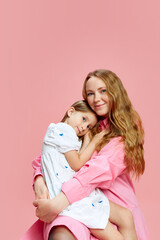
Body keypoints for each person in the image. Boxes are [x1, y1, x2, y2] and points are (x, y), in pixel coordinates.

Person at [21, 69, 149, 240]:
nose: (96, 99)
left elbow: (99, 169)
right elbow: (50, 154)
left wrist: (60, 201)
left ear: (115, 92)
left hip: (109, 203)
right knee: (61, 231)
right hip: (75, 200)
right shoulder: (85, 123)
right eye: (90, 93)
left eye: (103, 91)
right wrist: (39, 179)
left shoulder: (125, 129)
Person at [39, 99, 137, 240]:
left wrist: (86, 140)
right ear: (71, 112)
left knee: (125, 216)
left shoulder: (67, 136)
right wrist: (95, 140)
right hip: (71, 198)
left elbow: (79, 159)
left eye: (89, 126)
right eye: (83, 119)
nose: (84, 127)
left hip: (76, 194)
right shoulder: (62, 130)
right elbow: (78, 164)